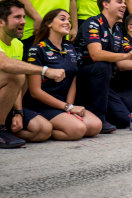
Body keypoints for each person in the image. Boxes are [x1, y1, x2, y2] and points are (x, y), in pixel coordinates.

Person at [75, 0, 132, 133]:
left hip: (105, 82)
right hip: (83, 78)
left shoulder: (118, 29)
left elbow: (120, 64)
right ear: (105, 4)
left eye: (124, 3)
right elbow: (96, 55)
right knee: (102, 65)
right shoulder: (93, 22)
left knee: (129, 119)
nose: (124, 5)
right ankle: (98, 116)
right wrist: (126, 56)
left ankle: (102, 113)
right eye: (119, 2)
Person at [25, 9, 102, 140]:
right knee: (78, 130)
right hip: (42, 105)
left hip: (64, 105)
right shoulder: (36, 50)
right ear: (49, 24)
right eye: (62, 19)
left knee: (95, 126)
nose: (67, 23)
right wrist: (67, 107)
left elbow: (73, 79)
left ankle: (58, 125)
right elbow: (35, 92)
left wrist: (69, 107)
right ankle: (44, 130)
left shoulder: (70, 48)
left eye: (69, 20)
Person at [0, 0, 54, 147]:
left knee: (43, 130)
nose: (23, 21)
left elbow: (16, 85)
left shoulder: (18, 44)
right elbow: (4, 64)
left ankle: (7, 129)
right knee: (16, 73)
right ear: (1, 22)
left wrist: (18, 112)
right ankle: (1, 129)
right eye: (17, 17)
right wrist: (45, 70)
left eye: (24, 17)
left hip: (5, 103)